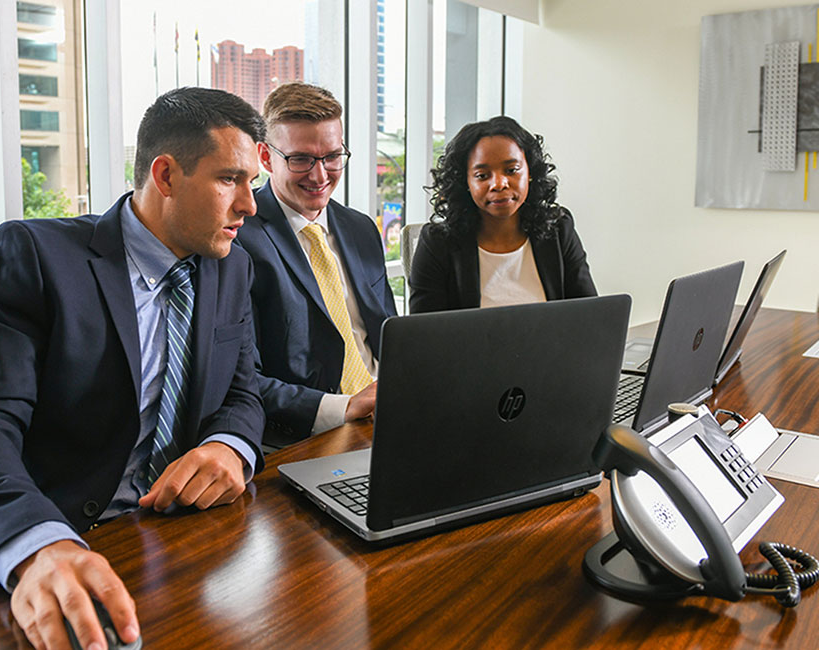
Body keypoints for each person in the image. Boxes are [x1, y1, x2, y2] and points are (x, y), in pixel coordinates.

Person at [0, 87, 267, 650]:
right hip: (21, 556)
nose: (250, 206)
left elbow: (243, 393)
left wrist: (229, 446)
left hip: (158, 544)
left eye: (252, 184)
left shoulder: (230, 265)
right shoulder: (32, 257)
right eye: (229, 180)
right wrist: (35, 542)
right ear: (165, 176)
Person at [235, 82, 396, 449]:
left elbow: (388, 334)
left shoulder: (360, 228)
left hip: (387, 418)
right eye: (301, 159)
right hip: (304, 437)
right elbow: (244, 380)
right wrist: (344, 407)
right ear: (265, 157)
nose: (320, 176)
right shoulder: (240, 241)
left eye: (332, 157)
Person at [409, 116, 596, 313]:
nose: (499, 184)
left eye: (511, 170)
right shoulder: (438, 242)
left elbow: (592, 316)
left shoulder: (558, 228)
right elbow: (424, 335)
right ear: (465, 182)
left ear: (530, 173)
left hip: (554, 344)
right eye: (482, 175)